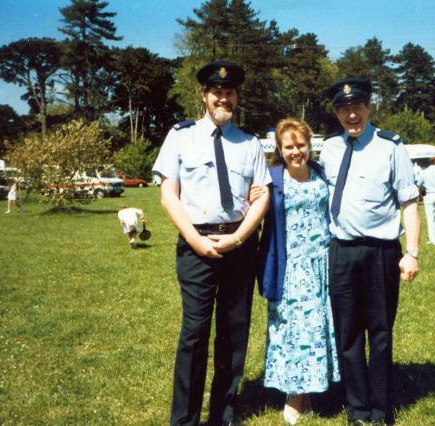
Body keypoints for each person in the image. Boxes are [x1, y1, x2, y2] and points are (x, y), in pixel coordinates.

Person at [152, 60, 271, 426]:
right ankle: (184, 420)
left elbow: (262, 194)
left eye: (230, 93)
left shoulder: (250, 143)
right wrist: (194, 239)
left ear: (237, 98)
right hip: (195, 244)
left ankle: (224, 415)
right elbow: (169, 194)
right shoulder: (181, 136)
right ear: (204, 95)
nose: (224, 98)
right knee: (194, 333)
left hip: (239, 244)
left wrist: (237, 237)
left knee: (234, 333)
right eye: (217, 92)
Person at [319, 77, 420, 425]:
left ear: (369, 107)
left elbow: (409, 202)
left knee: (379, 332)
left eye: (357, 107)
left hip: (381, 253)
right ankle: (357, 409)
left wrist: (413, 252)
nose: (351, 114)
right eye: (344, 108)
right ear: (336, 112)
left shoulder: (391, 147)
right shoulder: (329, 149)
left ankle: (380, 409)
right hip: (342, 252)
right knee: (347, 334)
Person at [257, 118, 340, 425]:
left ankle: (316, 386)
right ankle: (294, 392)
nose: (296, 152)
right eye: (289, 147)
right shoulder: (273, 180)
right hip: (289, 266)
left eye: (301, 145)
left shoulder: (321, 174)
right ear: (279, 149)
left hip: (323, 263)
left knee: (320, 326)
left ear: (310, 146)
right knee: (293, 329)